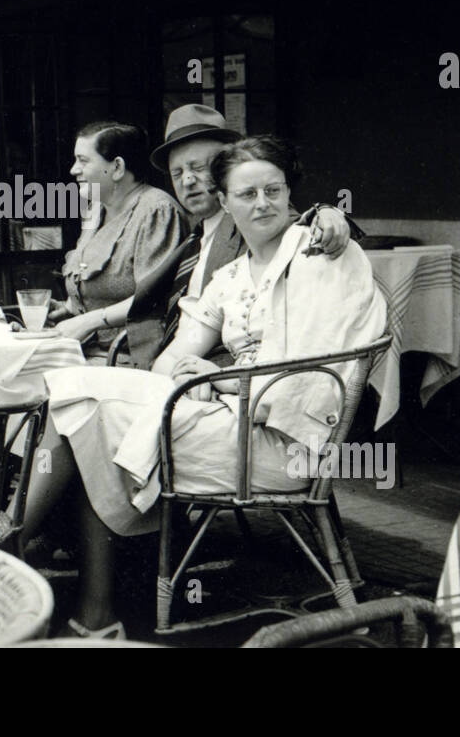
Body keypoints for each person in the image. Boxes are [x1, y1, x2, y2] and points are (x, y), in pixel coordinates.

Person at [22, 136, 387, 637]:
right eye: (247, 194)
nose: (262, 204)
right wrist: (188, 373)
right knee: (76, 400)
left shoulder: (319, 255)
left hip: (285, 446)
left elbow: (301, 388)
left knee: (83, 407)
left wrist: (213, 383)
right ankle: (87, 606)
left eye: (273, 191)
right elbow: (173, 358)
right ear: (224, 200)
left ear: (289, 194)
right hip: (233, 424)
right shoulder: (232, 276)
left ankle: (20, 552)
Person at [126, 104, 356, 367]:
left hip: (233, 371)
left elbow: (290, 221)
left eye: (198, 167)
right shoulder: (197, 232)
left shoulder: (251, 219)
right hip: (172, 358)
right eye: (177, 173)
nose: (187, 180)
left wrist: (326, 213)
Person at [49, 122, 184, 358]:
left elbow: (152, 299)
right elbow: (99, 289)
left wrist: (88, 321)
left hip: (127, 357)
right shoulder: (96, 210)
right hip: (85, 352)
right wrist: (65, 309)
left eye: (83, 160)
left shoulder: (156, 211)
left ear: (118, 167)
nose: (73, 170)